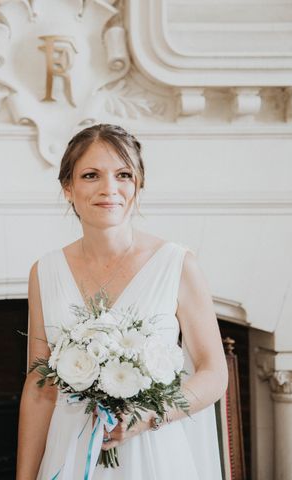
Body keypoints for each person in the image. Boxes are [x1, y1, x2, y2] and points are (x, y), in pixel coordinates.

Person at [16, 124, 228, 479]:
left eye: (123, 175)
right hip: (69, 451)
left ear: (138, 185)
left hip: (153, 452)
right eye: (90, 175)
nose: (109, 189)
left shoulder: (177, 264)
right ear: (68, 188)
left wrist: (149, 416)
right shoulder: (44, 272)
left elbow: (214, 373)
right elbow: (40, 391)